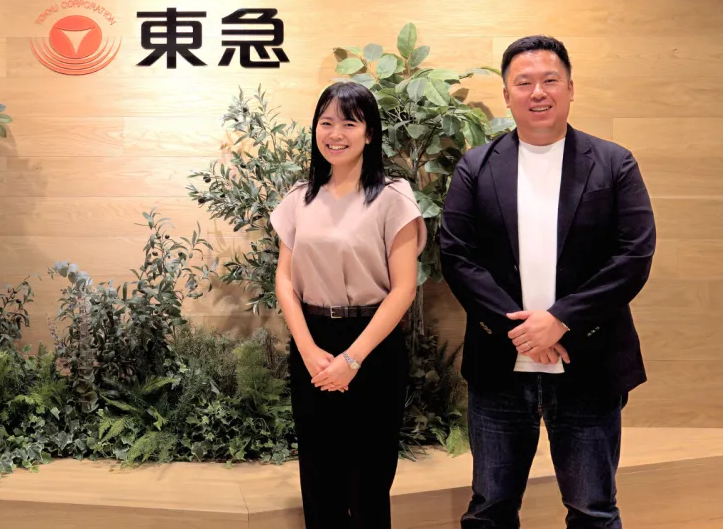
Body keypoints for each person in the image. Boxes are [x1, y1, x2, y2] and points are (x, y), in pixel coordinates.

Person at [439, 35, 656, 528]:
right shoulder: (476, 166)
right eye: (524, 83)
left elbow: (633, 255)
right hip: (500, 367)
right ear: (506, 95)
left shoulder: (614, 163)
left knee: (592, 510)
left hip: (589, 363)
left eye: (550, 80)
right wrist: (521, 331)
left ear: (570, 88)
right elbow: (457, 255)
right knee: (490, 510)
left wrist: (560, 320)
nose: (538, 92)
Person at [269, 80, 426, 528]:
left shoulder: (393, 197)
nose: (335, 134)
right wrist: (307, 350)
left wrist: (353, 359)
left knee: (369, 481)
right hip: (313, 343)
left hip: (373, 346)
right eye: (326, 123)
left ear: (370, 133)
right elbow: (285, 279)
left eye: (349, 124)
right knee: (319, 477)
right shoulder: (300, 197)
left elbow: (403, 289)